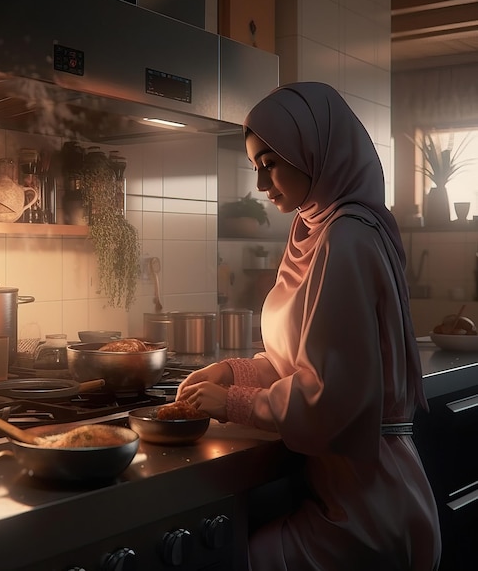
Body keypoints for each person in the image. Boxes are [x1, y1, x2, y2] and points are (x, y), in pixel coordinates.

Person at [177, 82, 441, 570]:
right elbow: (302, 362)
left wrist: (235, 402)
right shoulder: (317, 228)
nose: (260, 184)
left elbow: (332, 396)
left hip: (369, 504)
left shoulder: (347, 238)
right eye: (256, 166)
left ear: (312, 148)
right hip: (349, 490)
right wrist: (235, 372)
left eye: (269, 164)